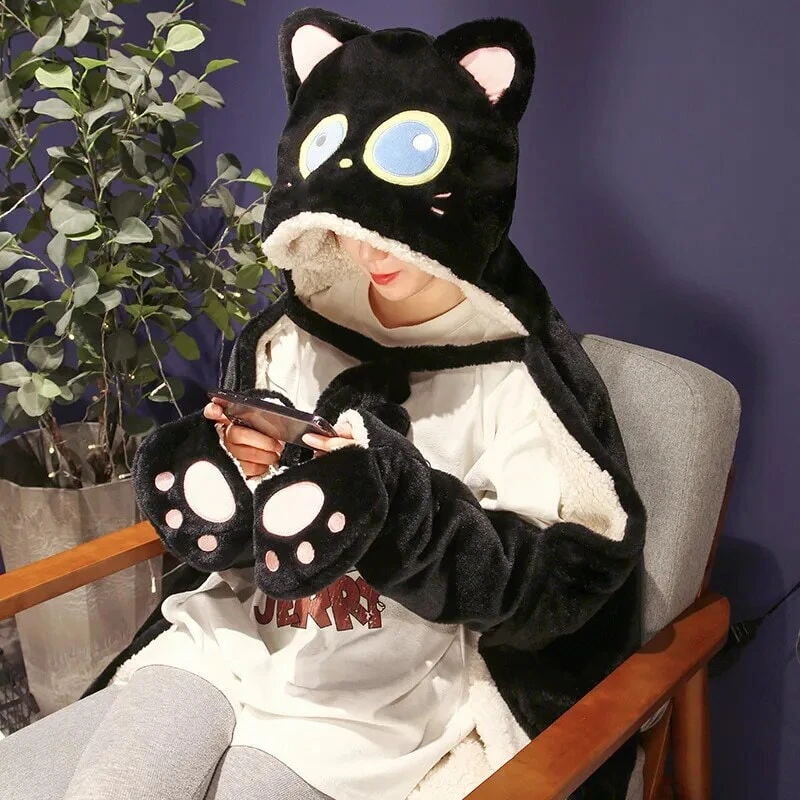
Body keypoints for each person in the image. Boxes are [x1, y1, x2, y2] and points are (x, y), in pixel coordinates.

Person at [0, 10, 645, 800]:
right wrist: (234, 470)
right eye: (347, 225)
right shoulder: (297, 331)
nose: (368, 252)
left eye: (389, 229)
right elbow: (235, 524)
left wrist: (399, 510)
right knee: (110, 788)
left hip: (368, 692)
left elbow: (556, 578)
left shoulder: (508, 378)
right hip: (230, 635)